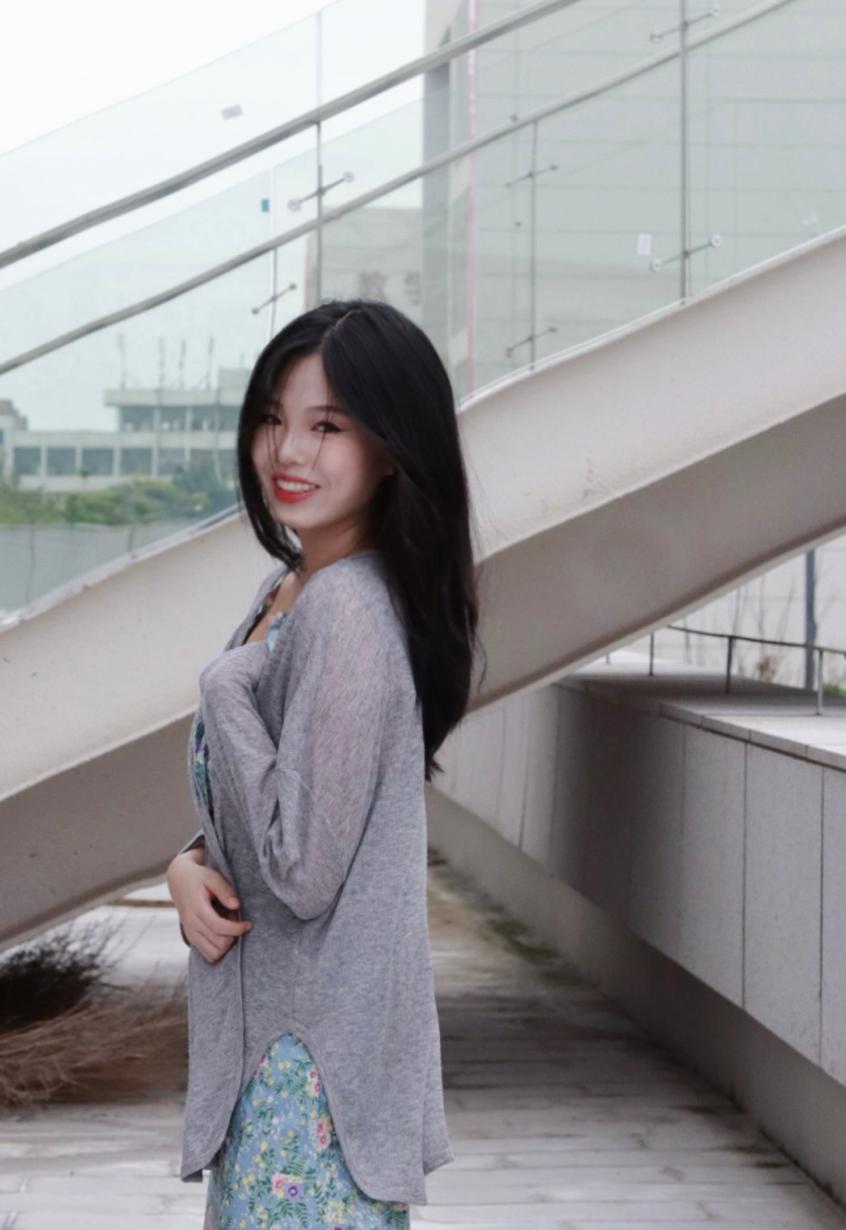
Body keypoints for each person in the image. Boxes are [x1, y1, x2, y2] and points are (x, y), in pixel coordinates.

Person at [166, 298, 485, 1229]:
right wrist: (188, 864)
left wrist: (224, 689)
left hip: (307, 1090)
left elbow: (303, 871)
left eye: (328, 426)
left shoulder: (345, 608)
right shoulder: (293, 587)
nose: (288, 451)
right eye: (274, 418)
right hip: (281, 1067)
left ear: (390, 448)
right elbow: (282, 807)